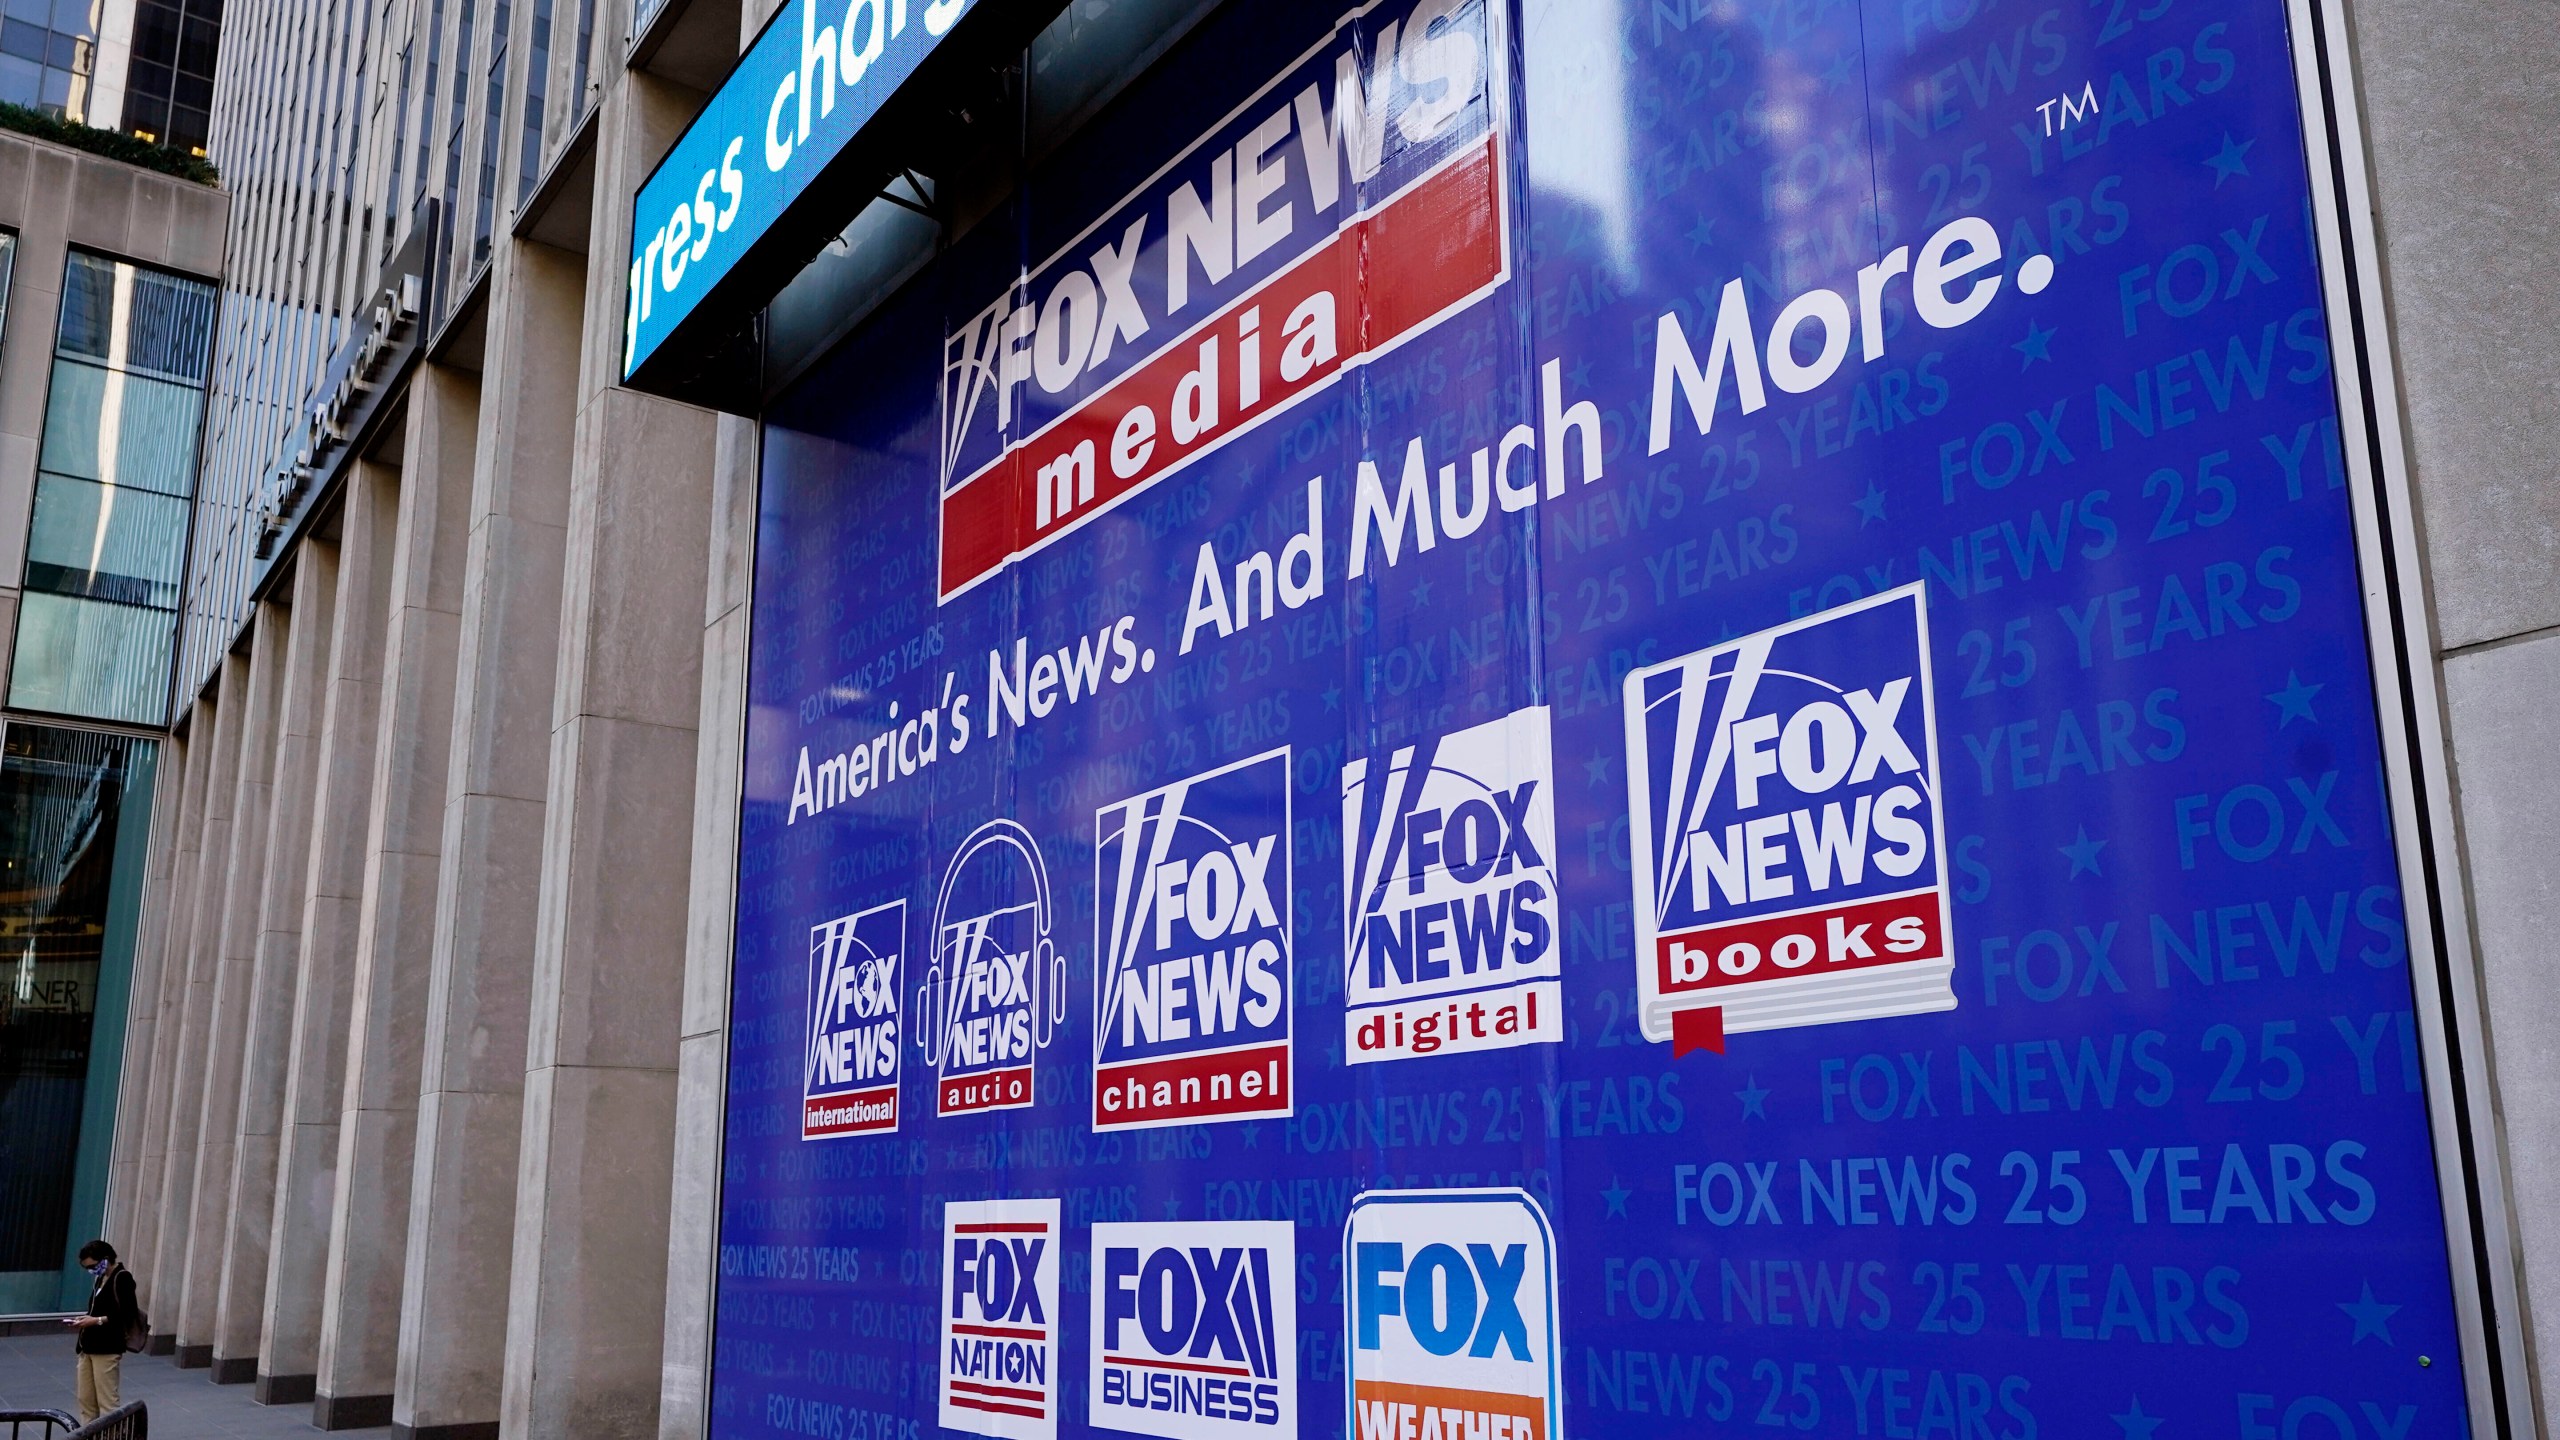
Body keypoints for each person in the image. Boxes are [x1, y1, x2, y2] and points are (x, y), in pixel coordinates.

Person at [64, 1240, 136, 1423]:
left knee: (107, 1402)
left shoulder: (122, 1277)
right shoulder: (100, 1279)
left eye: (93, 1266)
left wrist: (96, 1320)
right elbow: (97, 1309)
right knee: (86, 1399)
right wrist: (85, 1318)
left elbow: (128, 1313)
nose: (91, 1271)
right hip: (87, 1346)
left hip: (107, 1347)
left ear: (105, 1259)